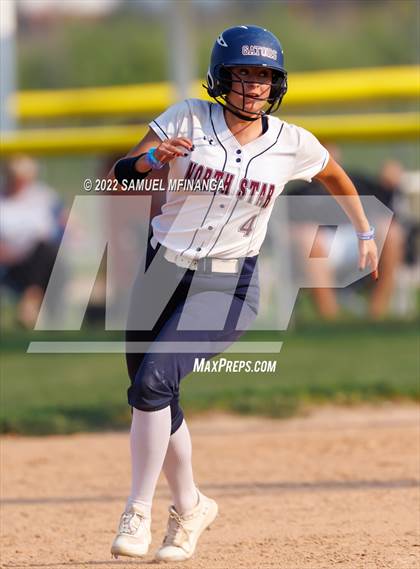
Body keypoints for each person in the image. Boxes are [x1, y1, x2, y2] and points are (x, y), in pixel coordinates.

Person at [108, 25, 378, 562]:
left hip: (228, 283)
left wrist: (365, 231)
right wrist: (151, 161)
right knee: (152, 392)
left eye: (264, 76)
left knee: (155, 379)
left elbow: (334, 175)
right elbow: (120, 179)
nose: (254, 86)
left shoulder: (291, 142)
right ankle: (191, 507)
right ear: (220, 77)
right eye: (243, 74)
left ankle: (136, 512)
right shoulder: (187, 117)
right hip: (161, 272)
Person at [0, 155, 66, 328]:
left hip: (40, 258)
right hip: (9, 262)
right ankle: (32, 303)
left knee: (46, 250)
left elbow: (64, 224)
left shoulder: (44, 196)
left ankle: (30, 301)